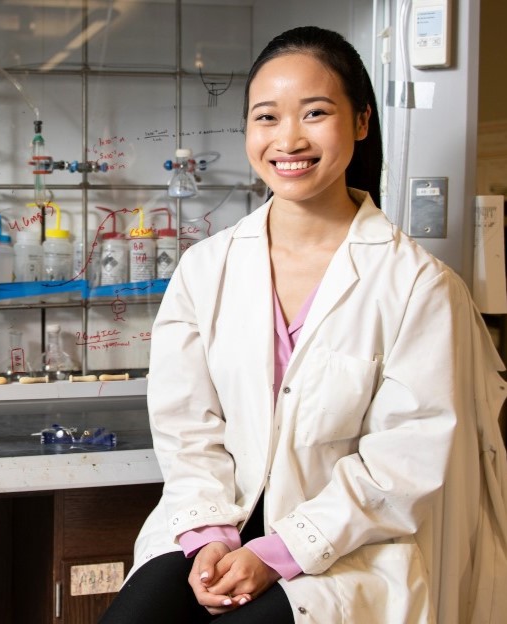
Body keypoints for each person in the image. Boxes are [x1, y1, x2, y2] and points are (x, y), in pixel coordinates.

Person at [99, 25, 507, 624]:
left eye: (315, 112)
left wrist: (280, 551)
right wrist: (209, 535)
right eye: (267, 117)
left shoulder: (418, 286)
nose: (288, 138)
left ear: (362, 121)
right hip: (216, 525)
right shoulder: (205, 268)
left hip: (346, 548)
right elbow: (187, 423)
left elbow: (405, 459)